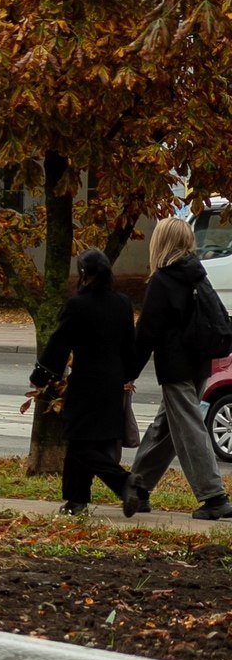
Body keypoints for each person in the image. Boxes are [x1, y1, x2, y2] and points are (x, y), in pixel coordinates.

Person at [124, 216, 231, 522]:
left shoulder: (163, 280)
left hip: (176, 365)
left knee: (188, 427)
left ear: (162, 242)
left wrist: (127, 371)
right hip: (201, 362)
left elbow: (147, 333)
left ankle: (214, 496)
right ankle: (138, 487)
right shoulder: (197, 274)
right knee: (167, 427)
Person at [31, 249, 136, 515]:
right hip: (112, 383)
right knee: (92, 443)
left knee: (78, 441)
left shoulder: (78, 306)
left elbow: (59, 343)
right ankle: (76, 501)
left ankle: (124, 482)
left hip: (86, 382)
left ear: (83, 274)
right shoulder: (122, 303)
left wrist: (41, 375)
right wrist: (126, 375)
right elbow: (129, 348)